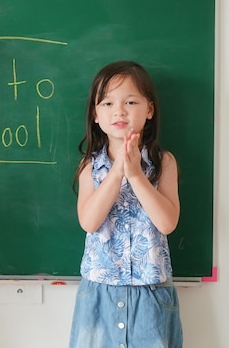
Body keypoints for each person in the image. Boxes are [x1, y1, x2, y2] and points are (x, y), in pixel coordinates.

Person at [69, 61, 183, 348]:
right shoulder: (90, 167)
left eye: (131, 101)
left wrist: (135, 174)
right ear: (95, 114)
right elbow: (89, 222)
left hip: (151, 293)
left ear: (149, 110)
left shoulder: (163, 162)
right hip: (99, 293)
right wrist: (117, 171)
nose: (119, 111)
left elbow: (167, 222)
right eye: (107, 103)